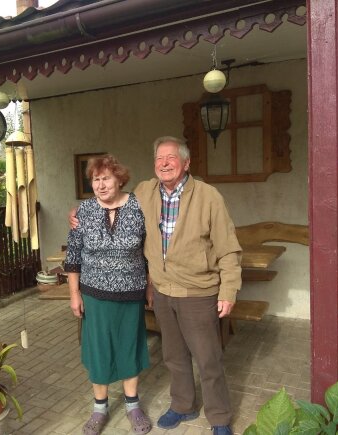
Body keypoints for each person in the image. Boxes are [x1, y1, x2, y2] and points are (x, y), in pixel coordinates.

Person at [70, 136, 242, 434]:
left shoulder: (207, 196)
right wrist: (76, 214)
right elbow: (102, 212)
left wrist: (228, 291)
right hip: (162, 291)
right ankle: (182, 405)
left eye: (171, 157)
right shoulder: (145, 192)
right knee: (173, 356)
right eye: (159, 158)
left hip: (196, 290)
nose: (164, 163)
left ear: (186, 163)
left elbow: (228, 248)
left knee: (208, 358)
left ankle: (219, 418)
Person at [64, 154, 152, 435]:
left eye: (106, 178)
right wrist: (74, 293)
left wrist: (149, 284)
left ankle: (132, 404)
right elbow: (74, 257)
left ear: (119, 179)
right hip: (94, 294)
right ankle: (100, 407)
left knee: (129, 344)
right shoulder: (84, 212)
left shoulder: (140, 205)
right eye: (95, 179)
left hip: (131, 291)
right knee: (99, 347)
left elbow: (150, 250)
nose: (101, 185)